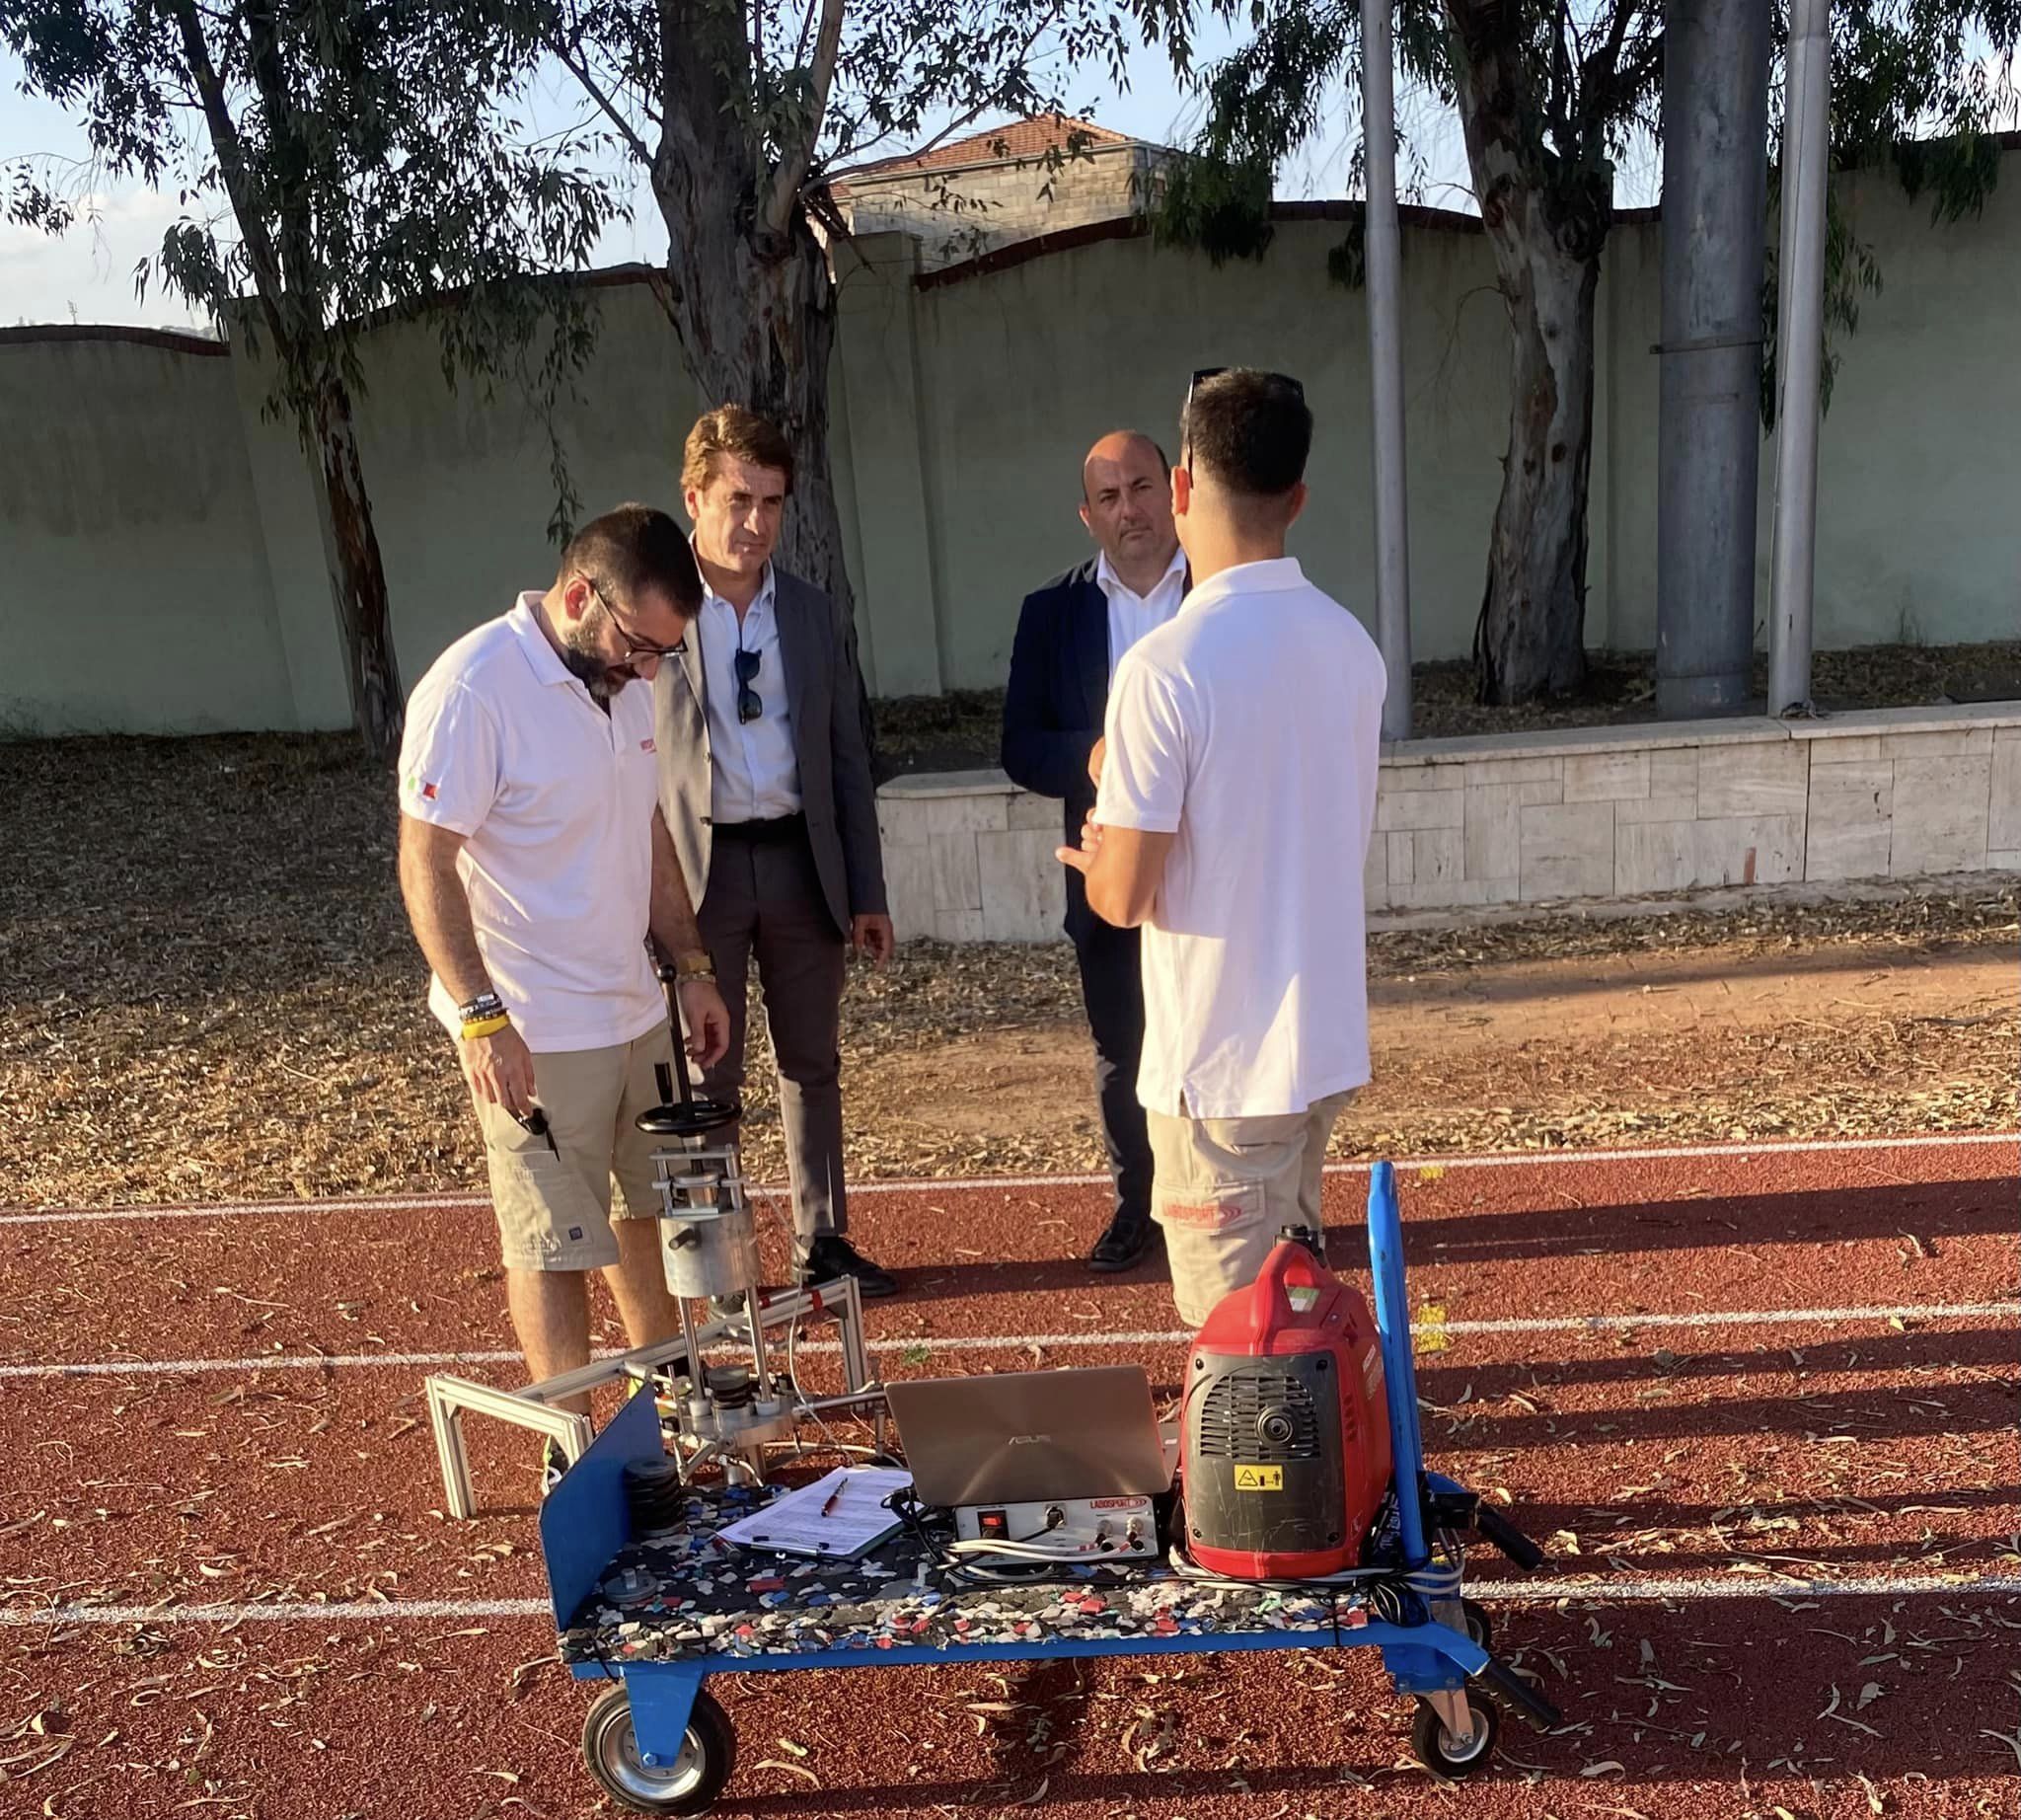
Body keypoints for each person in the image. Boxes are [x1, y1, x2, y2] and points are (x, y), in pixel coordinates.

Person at [395, 504, 733, 1487]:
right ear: (579, 596)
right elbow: (424, 862)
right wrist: (479, 1013)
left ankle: (669, 1399)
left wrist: (693, 963)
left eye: (666, 654)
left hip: (635, 1009)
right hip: (535, 1029)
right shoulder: (472, 689)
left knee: (650, 1214)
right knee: (550, 1243)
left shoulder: (624, 682)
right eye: (639, 646)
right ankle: (572, 1448)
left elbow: (650, 834)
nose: (648, 672)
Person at [1059, 369, 1386, 1327]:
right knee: (1298, 1330)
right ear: (1295, 498)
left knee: (1239, 1363)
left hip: (1219, 1062)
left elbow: (1122, 895)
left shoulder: (1163, 666)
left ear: (1181, 486)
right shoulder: (1349, 644)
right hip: (1314, 1048)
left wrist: (1097, 853)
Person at [654, 405, 898, 1300]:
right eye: (738, 499)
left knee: (813, 1060)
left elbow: (844, 754)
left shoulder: (807, 609)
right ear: (696, 496)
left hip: (801, 861)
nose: (756, 523)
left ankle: (822, 1239)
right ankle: (718, 1260)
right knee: (707, 1070)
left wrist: (865, 890)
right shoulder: (660, 608)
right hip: (698, 872)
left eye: (773, 503)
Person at [1003, 431, 1187, 1272]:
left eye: (1141, 487)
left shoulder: (1217, 593)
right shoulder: (1052, 612)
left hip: (1213, 866)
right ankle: (1139, 1205)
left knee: (1221, 1037)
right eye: (1108, 497)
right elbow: (1018, 745)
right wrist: (1094, 754)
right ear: (1088, 516)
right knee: (1124, 1046)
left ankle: (1240, 1205)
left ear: (1175, 490)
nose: (1129, 509)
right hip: (1108, 867)